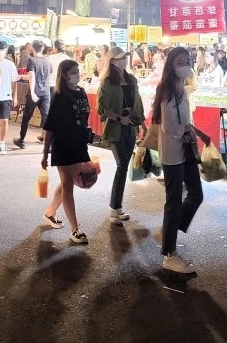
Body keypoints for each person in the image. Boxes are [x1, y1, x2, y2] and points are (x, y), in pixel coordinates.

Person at [154, 46, 210, 273]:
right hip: (172, 152)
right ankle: (169, 254)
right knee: (174, 201)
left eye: (188, 60)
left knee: (196, 194)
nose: (185, 65)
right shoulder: (168, 90)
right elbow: (170, 127)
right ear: (171, 65)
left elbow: (184, 120)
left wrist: (196, 132)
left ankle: (168, 232)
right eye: (180, 62)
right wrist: (188, 130)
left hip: (186, 149)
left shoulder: (181, 88)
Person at [40, 59, 92, 245]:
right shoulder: (59, 97)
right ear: (64, 75)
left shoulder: (82, 93)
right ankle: (75, 229)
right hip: (63, 145)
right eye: (73, 71)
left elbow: (85, 118)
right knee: (68, 184)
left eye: (78, 70)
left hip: (79, 144)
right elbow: (50, 128)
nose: (77, 74)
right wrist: (45, 154)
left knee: (67, 182)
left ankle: (50, 213)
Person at [97, 46, 145, 225]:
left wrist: (142, 124)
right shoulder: (107, 82)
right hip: (116, 128)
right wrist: (119, 118)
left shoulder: (131, 79)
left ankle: (116, 207)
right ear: (113, 62)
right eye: (120, 58)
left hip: (130, 127)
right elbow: (102, 108)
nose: (124, 60)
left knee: (124, 165)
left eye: (125, 57)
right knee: (122, 164)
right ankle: (115, 207)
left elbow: (138, 102)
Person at [14, 40, 51, 149]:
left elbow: (32, 77)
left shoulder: (32, 60)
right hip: (46, 92)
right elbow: (50, 76)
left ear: (33, 49)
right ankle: (48, 144)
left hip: (35, 92)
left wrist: (33, 92)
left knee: (26, 117)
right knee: (46, 117)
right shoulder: (48, 61)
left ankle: (21, 140)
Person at [0, 40, 20, 155]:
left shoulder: (10, 64)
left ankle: (2, 142)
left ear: (6, 50)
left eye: (2, 49)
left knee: (5, 121)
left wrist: (15, 96)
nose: (0, 52)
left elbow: (14, 82)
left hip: (6, 96)